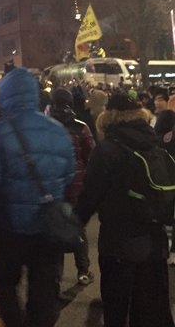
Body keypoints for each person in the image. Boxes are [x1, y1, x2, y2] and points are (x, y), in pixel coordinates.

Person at [0, 67, 75, 327]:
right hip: (47, 225)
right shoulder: (58, 131)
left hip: (11, 226)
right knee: (43, 284)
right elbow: (68, 175)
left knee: (7, 282)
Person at [77, 93, 174, 327]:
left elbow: (90, 195)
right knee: (153, 310)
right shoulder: (154, 143)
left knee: (118, 309)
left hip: (119, 244)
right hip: (155, 243)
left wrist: (73, 225)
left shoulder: (107, 149)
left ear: (108, 118)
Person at [49, 88, 95, 285]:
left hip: (54, 186)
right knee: (78, 228)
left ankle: (56, 278)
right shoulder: (81, 127)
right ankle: (83, 271)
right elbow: (90, 156)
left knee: (56, 229)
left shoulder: (46, 126)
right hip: (76, 187)